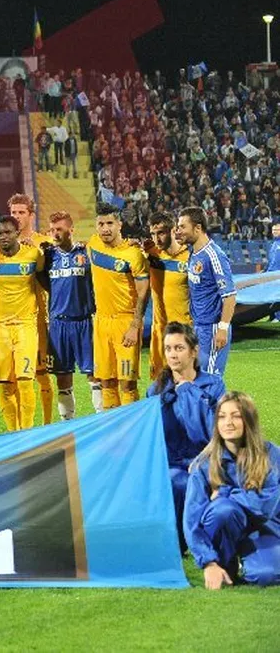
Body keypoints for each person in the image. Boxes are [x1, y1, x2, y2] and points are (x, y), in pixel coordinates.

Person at [184, 391, 280, 589]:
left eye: (236, 416)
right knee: (223, 510)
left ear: (249, 420)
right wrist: (208, 562)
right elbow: (191, 520)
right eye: (222, 417)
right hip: (226, 523)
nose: (228, 423)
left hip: (264, 527)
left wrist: (224, 494)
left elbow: (265, 506)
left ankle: (249, 560)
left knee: (265, 576)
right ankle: (223, 564)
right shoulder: (203, 463)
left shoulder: (272, 454)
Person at [146, 323, 226, 545]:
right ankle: (178, 543)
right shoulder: (156, 390)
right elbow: (151, 435)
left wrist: (186, 390)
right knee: (176, 480)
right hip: (172, 464)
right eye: (168, 348)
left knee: (195, 481)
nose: (173, 354)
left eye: (179, 348)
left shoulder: (214, 385)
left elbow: (215, 430)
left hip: (207, 461)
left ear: (194, 351)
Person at [0, 216, 43, 431]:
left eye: (8, 232)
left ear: (17, 233)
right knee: (4, 385)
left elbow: (44, 277)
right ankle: (12, 433)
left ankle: (27, 432)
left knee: (25, 381)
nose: (3, 237)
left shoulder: (33, 255)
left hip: (25, 325)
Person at [86, 203, 149, 408]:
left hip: (125, 322)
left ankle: (132, 425)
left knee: (127, 383)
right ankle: (112, 424)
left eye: (110, 223)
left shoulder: (134, 254)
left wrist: (135, 326)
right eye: (101, 224)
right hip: (101, 321)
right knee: (106, 381)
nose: (105, 229)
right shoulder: (93, 244)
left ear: (119, 224)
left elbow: (143, 292)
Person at [39, 212, 96, 420]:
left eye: (59, 229)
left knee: (94, 376)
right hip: (58, 324)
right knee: (62, 378)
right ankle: (67, 423)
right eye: (52, 230)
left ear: (71, 230)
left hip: (83, 322)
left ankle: (101, 419)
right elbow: (44, 282)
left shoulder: (85, 253)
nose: (55, 234)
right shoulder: (47, 257)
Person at [8, 193, 56, 424]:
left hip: (40, 318)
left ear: (31, 215)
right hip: (13, 320)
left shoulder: (44, 242)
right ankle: (19, 429)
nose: (16, 216)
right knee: (16, 377)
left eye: (21, 212)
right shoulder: (4, 244)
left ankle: (47, 425)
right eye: (13, 212)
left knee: (42, 374)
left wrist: (36, 251)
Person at [176, 207, 236, 377]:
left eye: (182, 227)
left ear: (198, 228)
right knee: (195, 378)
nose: (178, 231)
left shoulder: (214, 255)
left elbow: (230, 296)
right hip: (198, 327)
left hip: (213, 328)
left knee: (208, 380)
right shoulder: (193, 252)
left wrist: (222, 328)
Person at [144, 213, 191, 378]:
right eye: (153, 234)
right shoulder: (151, 253)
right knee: (160, 383)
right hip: (159, 332)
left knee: (183, 382)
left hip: (183, 331)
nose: (156, 239)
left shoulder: (190, 256)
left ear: (173, 230)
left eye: (161, 233)